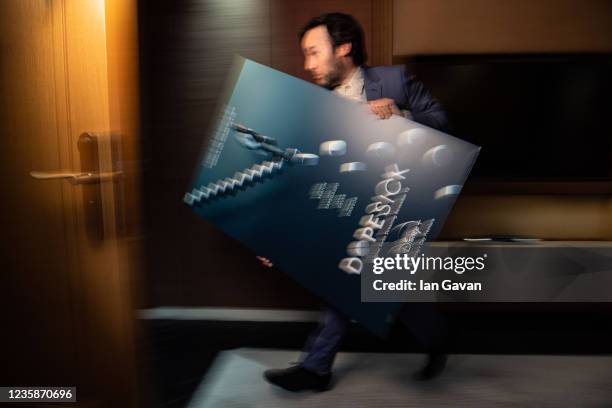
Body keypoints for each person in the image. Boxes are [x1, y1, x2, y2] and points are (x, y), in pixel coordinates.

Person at [261, 12, 449, 392]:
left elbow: (442, 121)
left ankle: (435, 339)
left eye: (314, 53)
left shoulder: (393, 81)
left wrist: (401, 115)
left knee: (381, 284)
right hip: (343, 206)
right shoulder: (311, 104)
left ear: (343, 48)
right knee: (348, 283)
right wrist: (277, 239)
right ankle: (317, 368)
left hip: (395, 199)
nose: (307, 64)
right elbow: (303, 173)